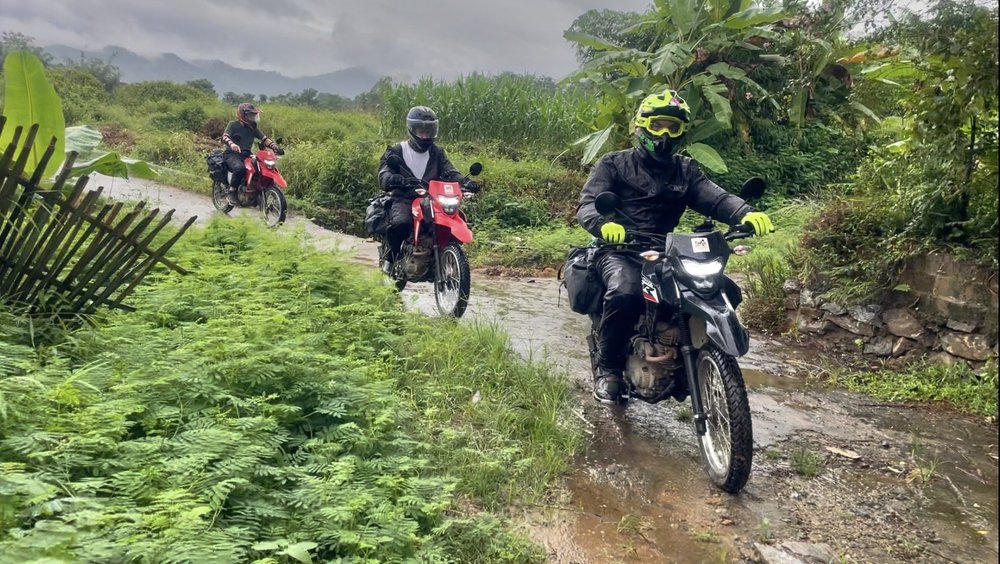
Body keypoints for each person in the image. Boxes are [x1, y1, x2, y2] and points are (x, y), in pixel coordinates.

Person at [576, 88, 775, 403]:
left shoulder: (685, 169)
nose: (665, 134)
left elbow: (715, 197)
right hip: (620, 249)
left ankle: (692, 357)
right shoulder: (613, 164)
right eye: (658, 126)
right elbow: (587, 204)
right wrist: (604, 226)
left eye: (673, 127)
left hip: (667, 250)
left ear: (682, 130)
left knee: (722, 289)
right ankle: (609, 368)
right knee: (625, 292)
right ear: (641, 127)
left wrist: (745, 213)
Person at [376, 105, 480, 273]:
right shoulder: (397, 150)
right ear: (412, 129)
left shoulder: (437, 152)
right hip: (404, 197)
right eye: (421, 130)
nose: (425, 135)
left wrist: (465, 181)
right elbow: (384, 172)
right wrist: (391, 178)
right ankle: (390, 259)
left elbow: (449, 171)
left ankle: (443, 256)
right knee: (401, 222)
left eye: (429, 130)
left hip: (432, 197)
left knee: (455, 216)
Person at [221, 102, 284, 204]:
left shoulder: (253, 127)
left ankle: (255, 191)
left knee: (259, 168)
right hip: (232, 154)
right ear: (243, 115)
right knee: (239, 168)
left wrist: (275, 147)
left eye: (254, 115)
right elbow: (225, 137)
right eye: (251, 115)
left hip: (246, 155)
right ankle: (232, 192)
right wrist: (232, 144)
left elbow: (264, 139)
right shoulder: (233, 125)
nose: (253, 117)